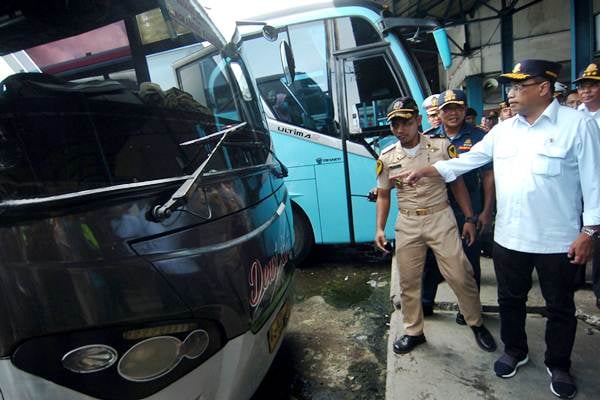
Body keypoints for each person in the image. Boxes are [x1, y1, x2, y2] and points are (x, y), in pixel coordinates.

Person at [400, 59, 600, 399]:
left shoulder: (577, 125)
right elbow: (469, 160)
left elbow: (594, 181)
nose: (511, 93)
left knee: (560, 306)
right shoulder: (504, 131)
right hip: (510, 238)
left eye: (519, 86)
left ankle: (559, 363)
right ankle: (515, 350)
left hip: (557, 240)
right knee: (510, 300)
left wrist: (590, 231)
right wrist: (428, 171)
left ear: (543, 88)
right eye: (510, 86)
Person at [374, 97, 496, 355]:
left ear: (418, 120)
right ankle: (413, 331)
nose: (400, 129)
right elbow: (384, 194)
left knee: (460, 273)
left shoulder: (442, 147)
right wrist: (380, 229)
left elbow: (457, 184)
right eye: (395, 124)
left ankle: (476, 323)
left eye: (405, 122)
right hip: (407, 223)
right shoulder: (386, 157)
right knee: (408, 282)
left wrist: (470, 219)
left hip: (441, 218)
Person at [421, 90, 495, 325]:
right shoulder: (428, 138)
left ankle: (469, 309)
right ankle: (425, 302)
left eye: (458, 108)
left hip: (469, 207)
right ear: (439, 113)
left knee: (469, 259)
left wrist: (486, 211)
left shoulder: (480, 137)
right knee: (431, 258)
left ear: (465, 110)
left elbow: (489, 177)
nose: (452, 113)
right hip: (437, 205)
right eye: (447, 109)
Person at [574, 61, 600, 309]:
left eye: (593, 85)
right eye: (583, 86)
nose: (587, 90)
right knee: (577, 232)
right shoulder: (574, 117)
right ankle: (575, 278)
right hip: (578, 186)